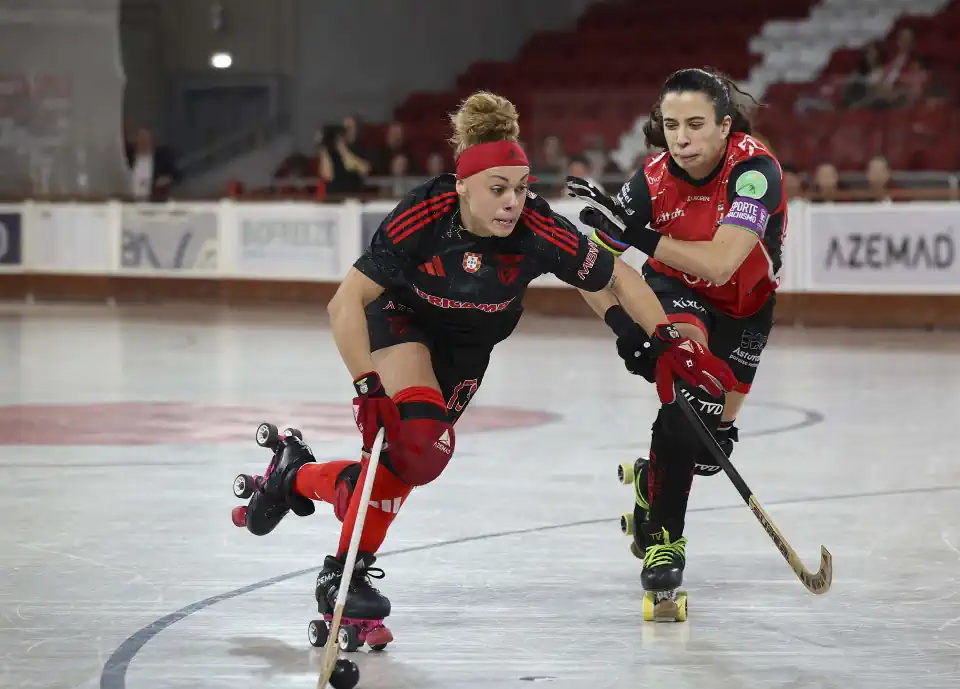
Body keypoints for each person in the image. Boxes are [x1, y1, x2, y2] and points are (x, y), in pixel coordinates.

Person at [230, 91, 735, 645]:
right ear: (462, 184)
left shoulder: (536, 228)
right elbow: (344, 302)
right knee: (418, 442)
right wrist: (366, 387)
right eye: (497, 190)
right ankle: (341, 577)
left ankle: (295, 477)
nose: (511, 203)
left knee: (408, 467)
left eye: (521, 189)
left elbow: (614, 277)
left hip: (468, 354)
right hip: (403, 325)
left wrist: (661, 338)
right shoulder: (424, 215)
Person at [567, 67, 788, 621]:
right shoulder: (647, 182)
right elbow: (590, 266)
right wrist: (624, 325)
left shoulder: (755, 170)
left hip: (747, 305)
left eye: (694, 125)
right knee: (686, 393)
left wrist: (637, 234)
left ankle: (652, 481)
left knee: (710, 448)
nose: (681, 138)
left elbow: (721, 263)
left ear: (725, 127)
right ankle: (667, 540)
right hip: (677, 295)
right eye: (670, 126)